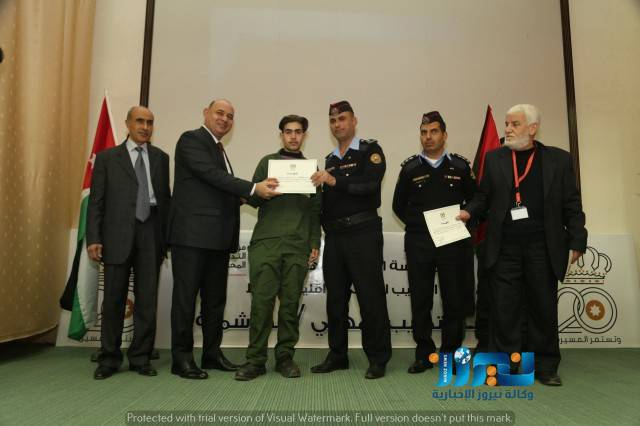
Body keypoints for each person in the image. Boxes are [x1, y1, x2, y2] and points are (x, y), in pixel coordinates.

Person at [457, 104, 587, 386]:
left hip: (543, 247)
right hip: (505, 247)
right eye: (506, 124)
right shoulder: (495, 159)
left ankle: (545, 366)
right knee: (505, 310)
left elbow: (572, 204)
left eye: (514, 124)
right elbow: (483, 196)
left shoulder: (558, 160)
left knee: (543, 307)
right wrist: (469, 212)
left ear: (533, 127)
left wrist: (578, 239)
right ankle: (505, 366)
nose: (508, 129)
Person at [168, 99, 280, 379]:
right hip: (192, 237)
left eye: (230, 116)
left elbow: (215, 186)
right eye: (220, 113)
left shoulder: (219, 148)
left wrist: (241, 196)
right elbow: (211, 175)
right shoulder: (191, 140)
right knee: (185, 300)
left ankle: (211, 354)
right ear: (205, 113)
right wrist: (252, 188)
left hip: (217, 238)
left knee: (214, 301)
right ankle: (181, 359)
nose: (225, 119)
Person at [235, 115, 321, 381]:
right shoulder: (267, 163)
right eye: (288, 131)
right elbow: (252, 198)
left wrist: (314, 243)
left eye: (298, 132)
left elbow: (315, 211)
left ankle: (285, 358)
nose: (293, 136)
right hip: (266, 243)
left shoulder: (312, 170)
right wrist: (260, 190)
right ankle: (255, 360)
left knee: (290, 305)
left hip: (297, 245)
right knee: (261, 303)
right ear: (281, 135)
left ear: (304, 135)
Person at [86, 106, 170, 379]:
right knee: (113, 300)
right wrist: (94, 237)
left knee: (147, 300)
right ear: (128, 124)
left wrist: (166, 239)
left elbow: (165, 200)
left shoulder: (161, 158)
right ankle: (109, 359)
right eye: (140, 121)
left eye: (150, 122)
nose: (145, 127)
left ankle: (140, 357)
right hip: (116, 235)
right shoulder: (108, 158)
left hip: (151, 233)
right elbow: (96, 201)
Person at [311, 100, 391, 379]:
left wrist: (334, 182)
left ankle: (378, 358)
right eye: (333, 120)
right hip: (334, 237)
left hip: (363, 233)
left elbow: (370, 185)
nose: (337, 124)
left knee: (370, 298)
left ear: (354, 121)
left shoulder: (370, 150)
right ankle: (338, 355)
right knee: (335, 300)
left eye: (342, 118)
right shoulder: (330, 159)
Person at [392, 111, 476, 374]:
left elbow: (477, 199)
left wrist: (468, 213)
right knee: (421, 299)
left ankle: (451, 354)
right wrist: (420, 226)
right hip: (419, 243)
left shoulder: (460, 167)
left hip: (453, 243)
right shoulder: (410, 168)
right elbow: (398, 206)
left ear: (444, 135)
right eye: (424, 132)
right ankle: (423, 354)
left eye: (434, 131)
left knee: (453, 300)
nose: (428, 137)